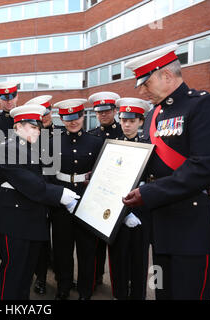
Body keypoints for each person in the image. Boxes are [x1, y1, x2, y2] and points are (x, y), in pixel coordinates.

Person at [123, 44, 210, 300]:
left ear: (167, 76)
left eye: (145, 83)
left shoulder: (204, 106)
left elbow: (206, 168)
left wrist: (148, 193)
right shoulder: (153, 116)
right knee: (163, 293)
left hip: (192, 229)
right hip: (159, 228)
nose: (141, 90)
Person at [0, 103, 80, 300]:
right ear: (18, 127)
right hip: (15, 221)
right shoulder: (8, 147)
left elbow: (43, 178)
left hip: (31, 218)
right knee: (13, 273)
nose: (37, 131)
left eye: (38, 127)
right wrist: (60, 195)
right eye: (32, 127)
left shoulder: (30, 146)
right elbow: (29, 182)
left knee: (25, 275)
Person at [49, 99, 104, 300]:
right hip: (61, 200)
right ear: (62, 119)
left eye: (77, 117)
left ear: (83, 116)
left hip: (86, 200)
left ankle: (85, 290)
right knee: (62, 248)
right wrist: (56, 197)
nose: (73, 122)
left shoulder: (96, 142)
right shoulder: (53, 142)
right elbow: (48, 175)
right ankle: (63, 286)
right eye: (68, 118)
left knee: (87, 249)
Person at [107, 98, 151, 300]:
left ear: (141, 122)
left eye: (132, 121)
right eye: (123, 120)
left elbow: (151, 182)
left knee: (139, 261)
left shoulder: (149, 147)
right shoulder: (112, 147)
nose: (126, 124)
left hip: (141, 214)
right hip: (116, 213)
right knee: (118, 260)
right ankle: (119, 296)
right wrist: (123, 212)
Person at [87, 91, 123, 287]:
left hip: (119, 193)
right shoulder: (92, 135)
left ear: (115, 111)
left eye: (107, 111)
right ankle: (96, 276)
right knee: (96, 241)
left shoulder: (123, 133)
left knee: (116, 243)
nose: (103, 115)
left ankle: (118, 283)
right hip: (99, 193)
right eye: (99, 112)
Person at [24, 95, 55, 295]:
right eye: (40, 115)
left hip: (55, 191)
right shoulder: (30, 137)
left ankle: (49, 273)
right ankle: (40, 277)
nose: (43, 118)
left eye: (46, 113)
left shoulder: (59, 134)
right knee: (38, 239)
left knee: (52, 240)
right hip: (36, 193)